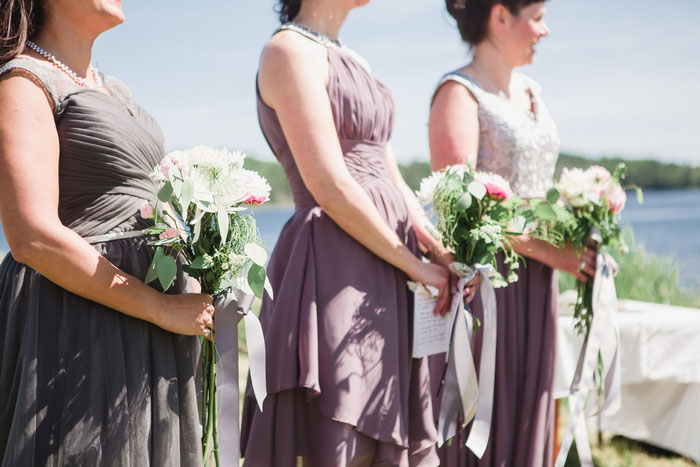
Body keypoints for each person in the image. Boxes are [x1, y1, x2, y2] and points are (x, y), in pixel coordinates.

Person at [239, 0, 479, 465]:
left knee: (393, 414)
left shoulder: (356, 59)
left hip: (392, 253)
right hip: (334, 256)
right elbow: (329, 184)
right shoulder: (287, 50)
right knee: (345, 424)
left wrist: (437, 248)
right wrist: (413, 265)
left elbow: (392, 179)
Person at [0, 1, 215, 465]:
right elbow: (31, 235)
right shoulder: (24, 81)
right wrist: (159, 307)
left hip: (153, 320)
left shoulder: (114, 88)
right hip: (79, 317)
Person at [428, 1, 597, 465]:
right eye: (537, 16)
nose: (545, 29)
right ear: (500, 17)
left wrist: (580, 218)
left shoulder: (532, 91)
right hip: (490, 282)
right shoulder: (458, 93)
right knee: (489, 408)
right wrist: (552, 251)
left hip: (539, 276)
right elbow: (461, 211)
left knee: (531, 406)